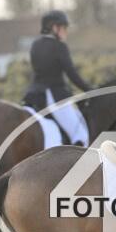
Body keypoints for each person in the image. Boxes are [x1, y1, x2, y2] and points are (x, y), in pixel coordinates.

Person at [22, 10, 91, 146]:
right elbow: (71, 73)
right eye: (64, 28)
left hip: (34, 95)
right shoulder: (59, 46)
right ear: (55, 28)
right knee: (81, 135)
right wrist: (90, 90)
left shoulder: (35, 45)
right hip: (55, 96)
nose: (66, 32)